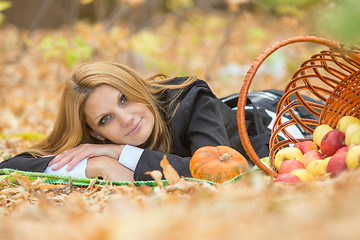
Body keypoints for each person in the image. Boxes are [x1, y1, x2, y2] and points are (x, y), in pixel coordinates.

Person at [0, 62, 312, 181]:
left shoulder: (191, 97)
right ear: (95, 134)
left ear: (136, 88)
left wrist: (119, 155)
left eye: (124, 99)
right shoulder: (98, 145)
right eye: (106, 118)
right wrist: (97, 165)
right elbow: (12, 166)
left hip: (283, 114)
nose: (127, 119)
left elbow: (213, 171)